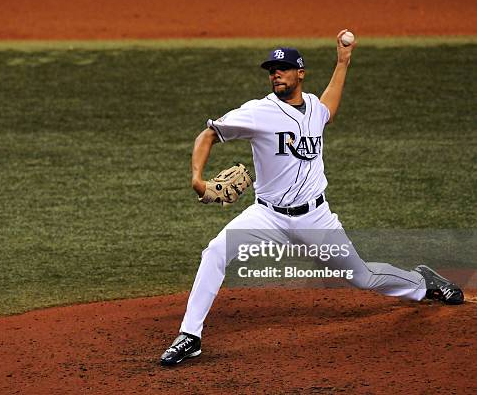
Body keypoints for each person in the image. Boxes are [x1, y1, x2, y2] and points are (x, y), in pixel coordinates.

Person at [160, 30, 464, 367]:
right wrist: (197, 178)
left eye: (284, 68)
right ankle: (190, 335)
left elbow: (328, 107)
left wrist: (343, 61)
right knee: (216, 250)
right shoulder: (258, 112)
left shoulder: (314, 109)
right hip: (267, 217)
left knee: (361, 276)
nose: (276, 73)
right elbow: (209, 134)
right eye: (272, 69)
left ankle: (423, 282)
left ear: (299, 74)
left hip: (316, 220)